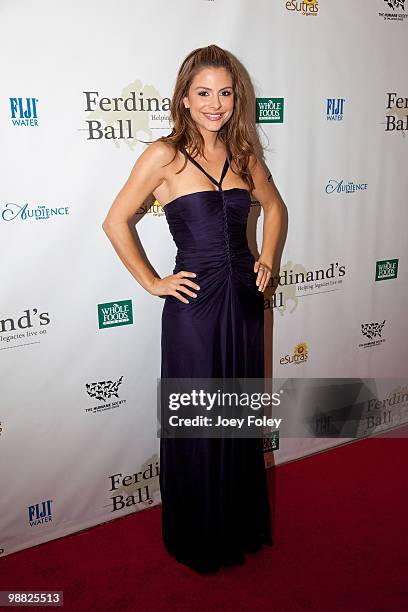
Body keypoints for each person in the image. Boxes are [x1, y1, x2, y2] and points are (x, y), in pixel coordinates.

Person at [102, 44, 283, 573]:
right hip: (195, 306)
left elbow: (274, 207)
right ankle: (199, 535)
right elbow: (115, 221)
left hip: (245, 303)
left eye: (225, 93)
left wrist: (267, 256)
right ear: (184, 98)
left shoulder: (245, 156)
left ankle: (239, 524)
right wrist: (153, 281)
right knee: (199, 420)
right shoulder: (164, 155)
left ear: (236, 98)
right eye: (203, 92)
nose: (215, 103)